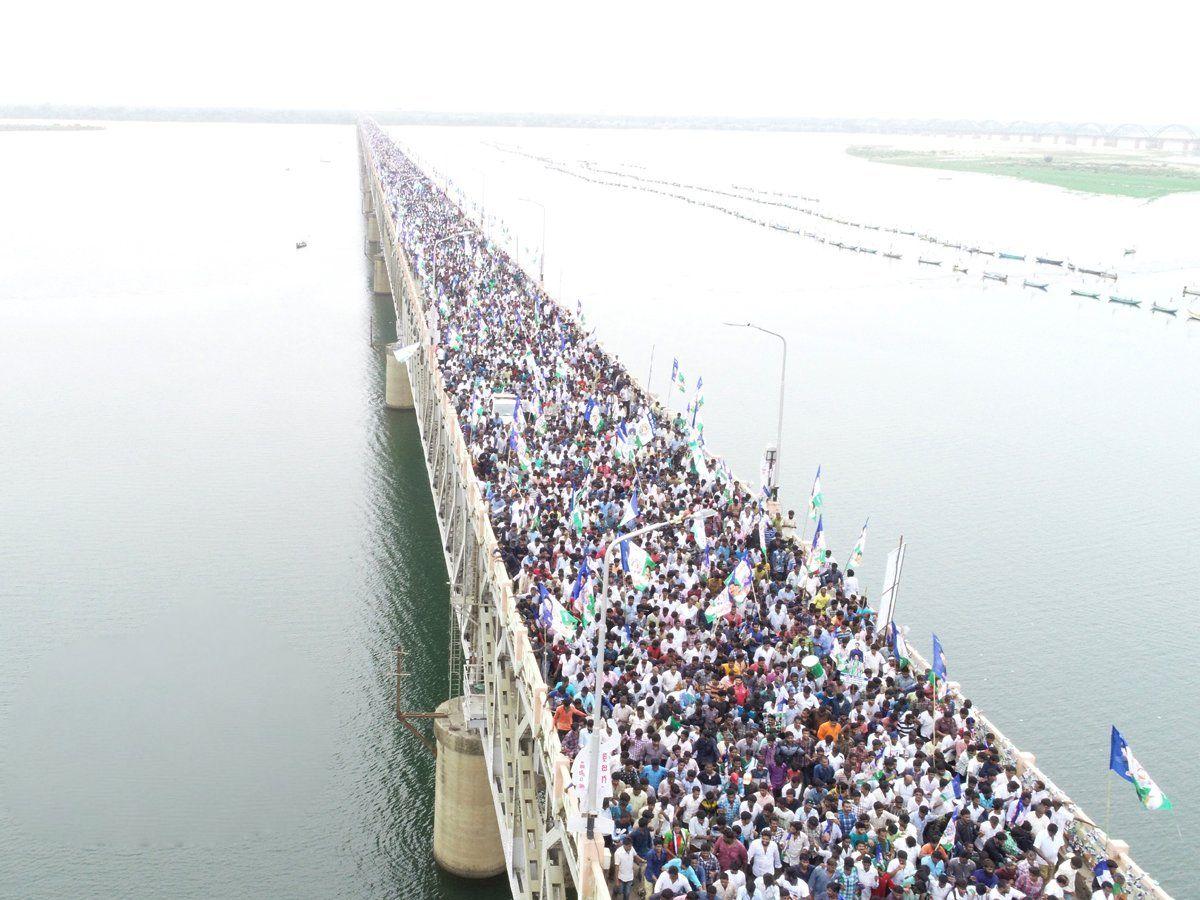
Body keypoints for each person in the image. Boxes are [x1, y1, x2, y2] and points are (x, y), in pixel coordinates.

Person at [612, 836, 638, 900]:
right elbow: (617, 867)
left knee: (627, 892)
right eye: (629, 846)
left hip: (629, 876)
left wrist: (642, 860)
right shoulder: (618, 853)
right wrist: (616, 881)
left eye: (631, 846)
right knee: (620, 890)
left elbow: (635, 855)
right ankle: (615, 892)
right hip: (621, 877)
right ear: (624, 845)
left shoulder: (631, 848)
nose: (630, 847)